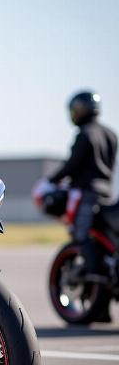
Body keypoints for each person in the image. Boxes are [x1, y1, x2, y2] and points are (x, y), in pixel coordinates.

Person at [49, 91, 117, 280]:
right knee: (104, 236)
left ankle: (94, 271)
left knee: (82, 234)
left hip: (87, 192)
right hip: (107, 193)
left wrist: (52, 180)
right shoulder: (110, 134)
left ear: (80, 109)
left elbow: (73, 164)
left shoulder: (85, 133)